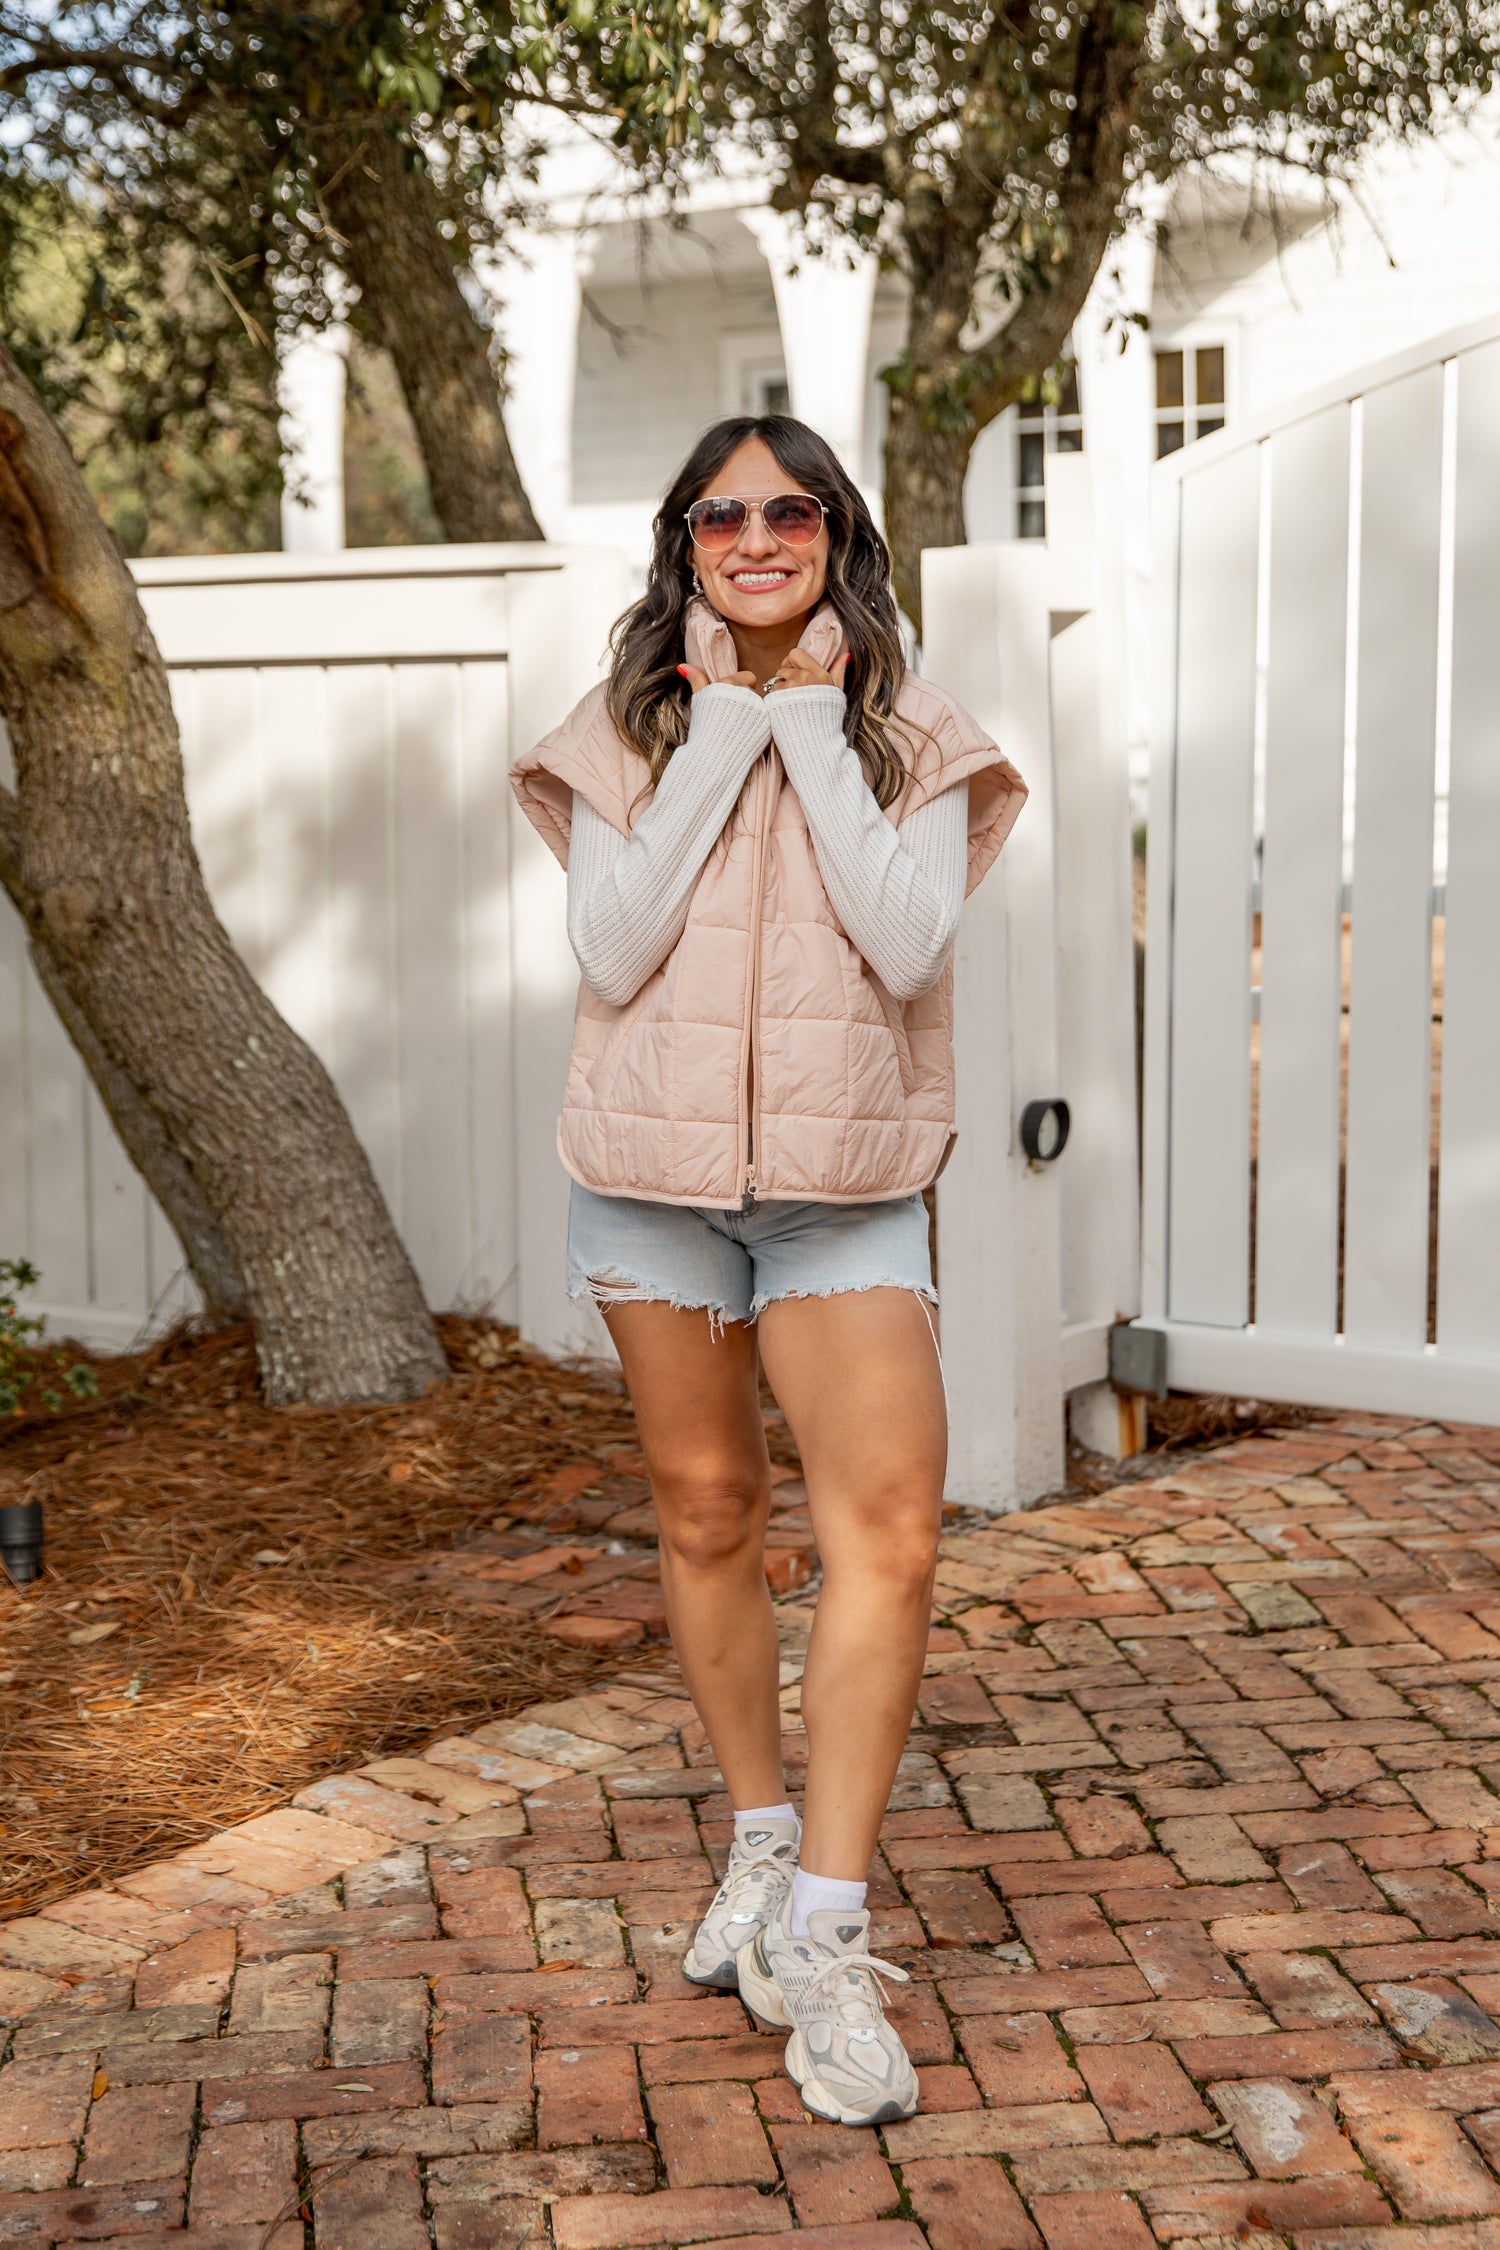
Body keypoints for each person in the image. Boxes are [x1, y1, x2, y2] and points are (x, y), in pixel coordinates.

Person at [511, 414, 1025, 2126]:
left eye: (785, 507)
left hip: (845, 1187)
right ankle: (750, 1842)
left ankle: (824, 1924)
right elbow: (612, 941)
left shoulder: (914, 738)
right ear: (683, 544)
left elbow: (903, 937)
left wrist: (805, 717)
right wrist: (722, 720)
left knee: (885, 1529)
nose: (753, 534)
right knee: (712, 1513)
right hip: (654, 1184)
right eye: (719, 512)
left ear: (833, 531)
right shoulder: (621, 731)